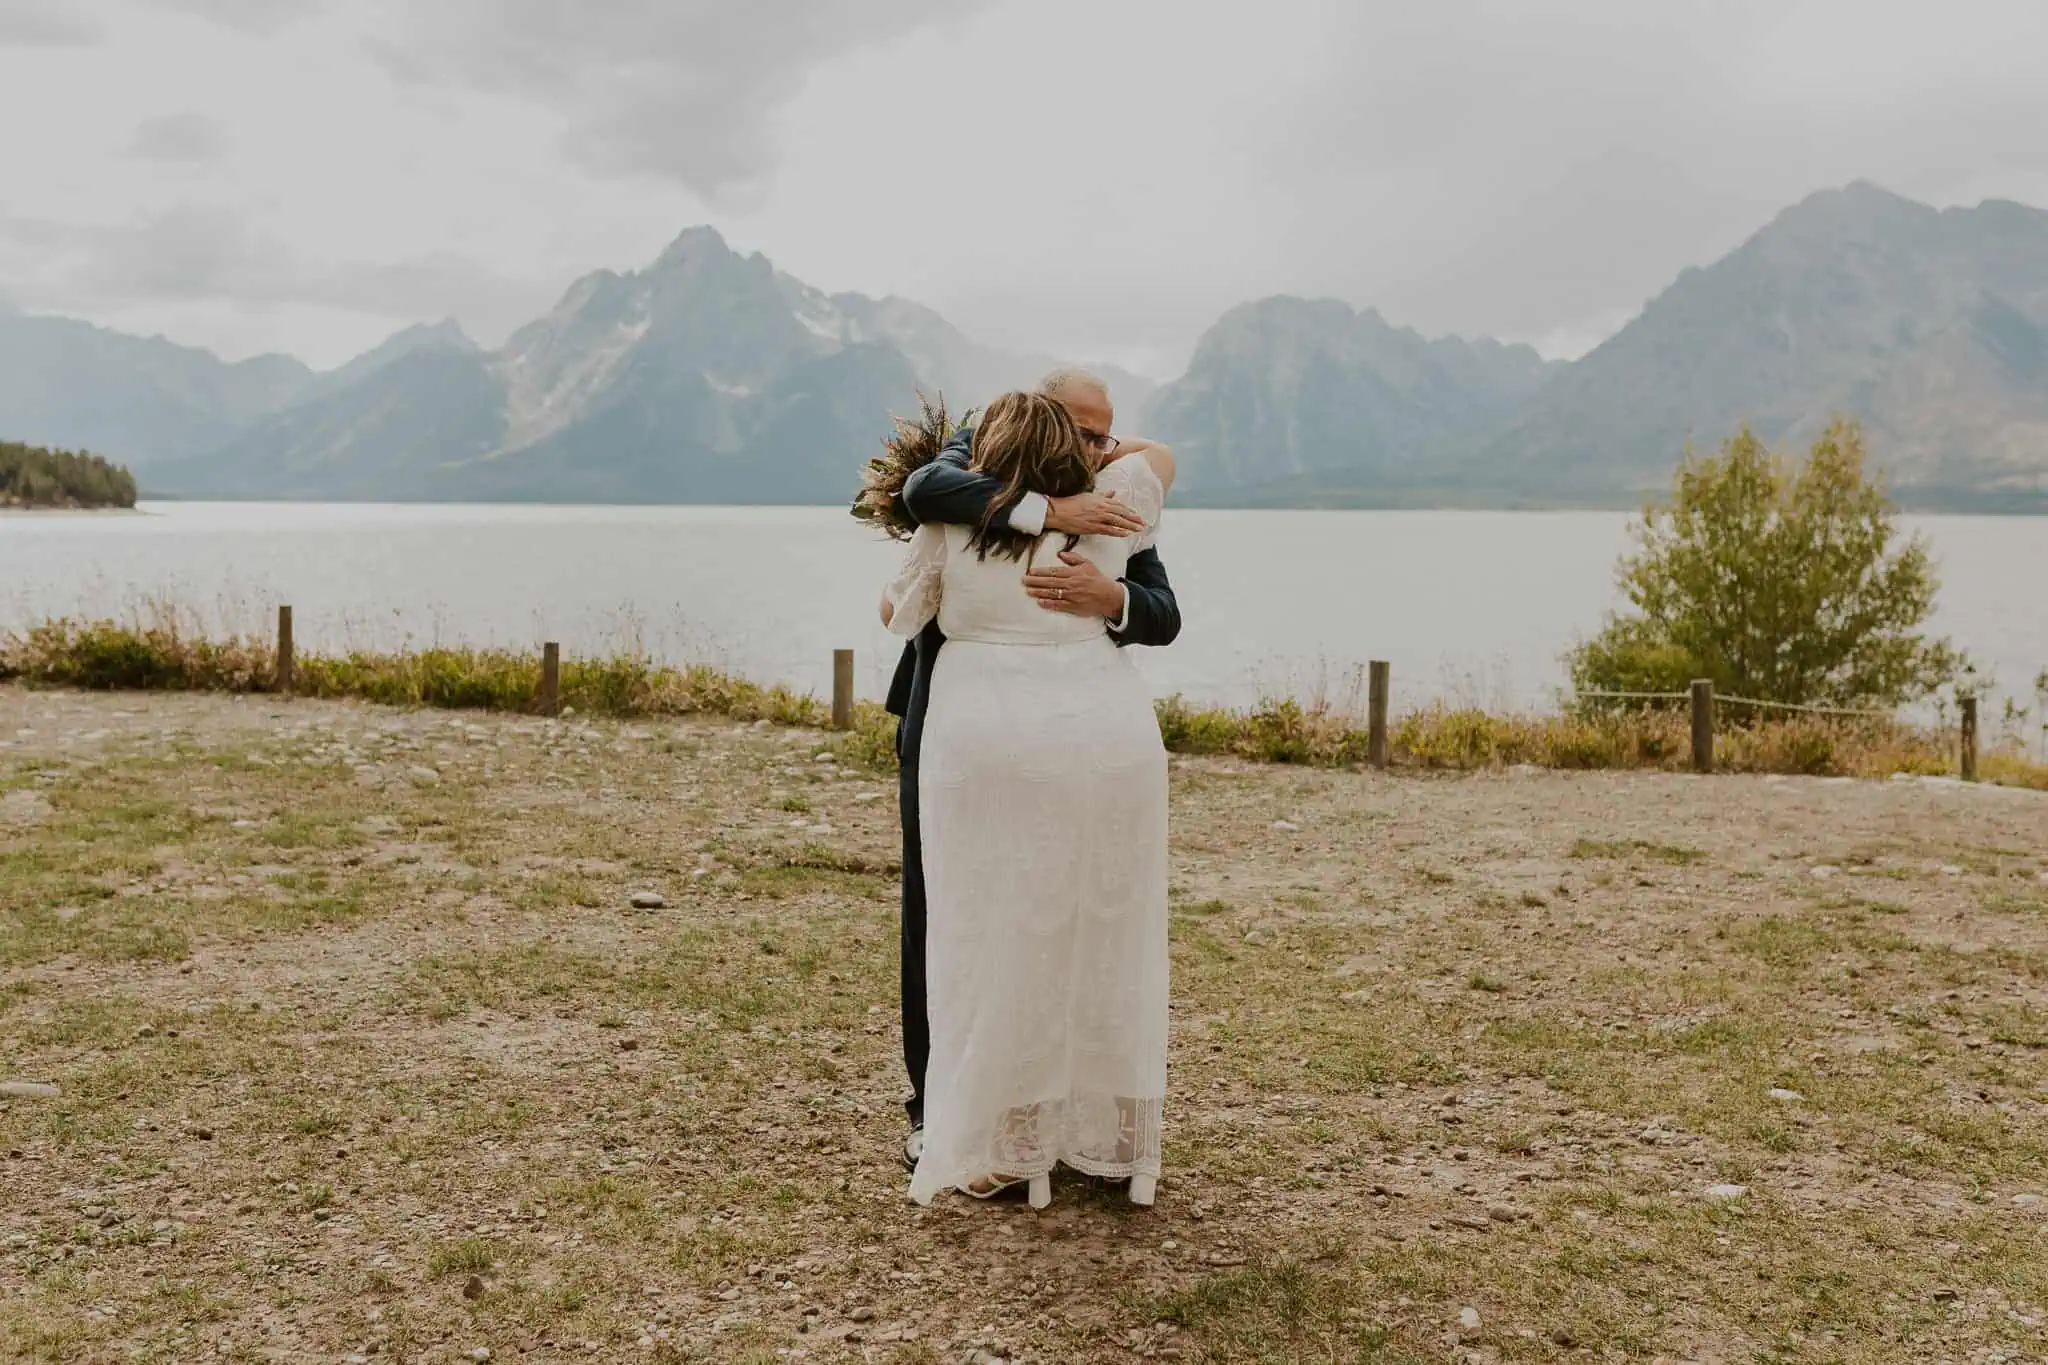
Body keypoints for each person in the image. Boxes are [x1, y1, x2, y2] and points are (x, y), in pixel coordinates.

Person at [880, 389, 1174, 1208]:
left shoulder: (1114, 502)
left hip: (1003, 731)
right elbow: (923, 493)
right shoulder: (969, 468)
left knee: (1035, 917)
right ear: (1050, 420)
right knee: (945, 918)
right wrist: (1046, 509)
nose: (1104, 448)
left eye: (1110, 435)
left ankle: (1033, 1126)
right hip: (958, 719)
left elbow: (1164, 611)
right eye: (1088, 433)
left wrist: (1111, 600)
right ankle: (940, 1108)